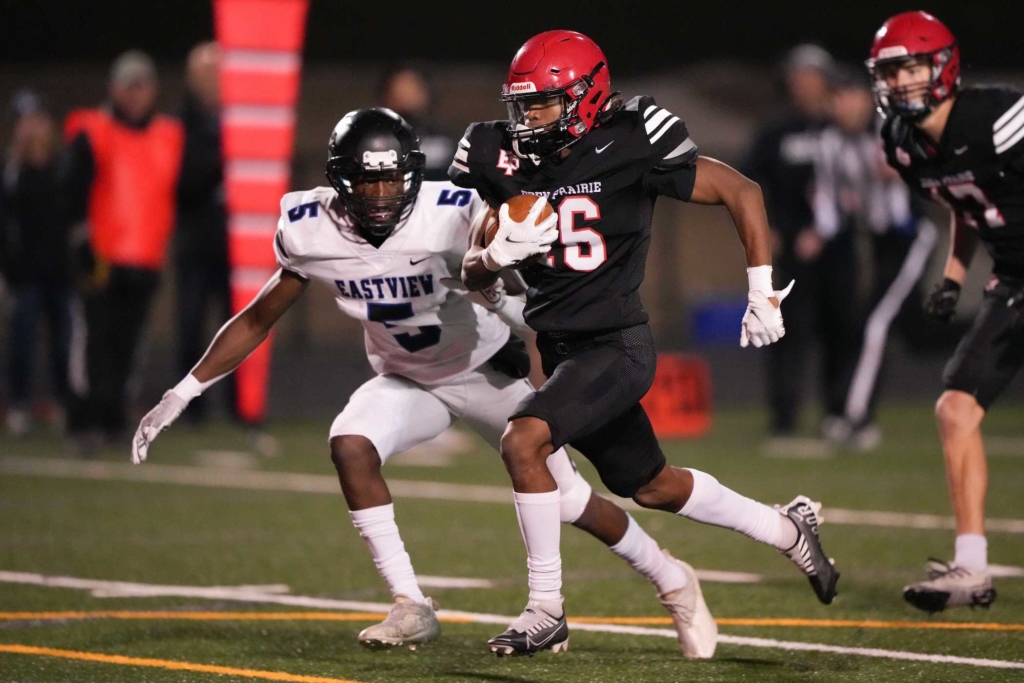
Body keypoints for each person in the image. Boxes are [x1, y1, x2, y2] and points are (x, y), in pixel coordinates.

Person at [131, 108, 718, 658]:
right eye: (368, 182)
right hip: (407, 379)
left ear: (414, 174)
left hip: (487, 370)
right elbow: (258, 317)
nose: (382, 195)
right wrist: (183, 390)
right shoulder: (311, 229)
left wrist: (518, 305)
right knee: (350, 445)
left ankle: (670, 576)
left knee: (567, 501)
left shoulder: (455, 209)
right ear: (340, 181)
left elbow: (522, 288)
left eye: (393, 181)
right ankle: (411, 602)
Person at [453, 30, 839, 657]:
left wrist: (762, 290)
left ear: (585, 97)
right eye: (522, 106)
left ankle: (545, 607)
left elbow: (742, 190)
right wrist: (492, 256)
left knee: (523, 439)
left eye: (544, 104)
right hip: (559, 349)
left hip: (616, 344)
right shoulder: (500, 154)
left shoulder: (631, 138)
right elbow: (472, 271)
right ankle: (787, 528)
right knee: (652, 485)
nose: (527, 121)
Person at [867, 11, 1024, 612]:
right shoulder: (901, 143)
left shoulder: (997, 116)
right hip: (1013, 281)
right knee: (956, 409)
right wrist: (955, 276)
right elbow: (962, 199)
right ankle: (972, 567)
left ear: (942, 67)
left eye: (911, 67)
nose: (901, 81)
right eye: (891, 70)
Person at [63, 50, 184, 450]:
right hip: (101, 256)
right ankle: (83, 419)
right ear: (114, 89)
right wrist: (80, 239)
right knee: (93, 342)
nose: (135, 95)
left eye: (142, 86)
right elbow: (73, 189)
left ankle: (114, 419)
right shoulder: (93, 129)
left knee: (128, 347)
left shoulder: (168, 135)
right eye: (128, 86)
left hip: (145, 258)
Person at [811, 66, 934, 450]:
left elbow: (933, 163)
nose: (841, 105)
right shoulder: (830, 142)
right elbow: (829, 199)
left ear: (867, 99)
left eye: (848, 96)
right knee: (889, 327)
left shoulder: (892, 129)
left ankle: (856, 418)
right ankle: (845, 410)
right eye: (836, 98)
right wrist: (818, 231)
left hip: (911, 237)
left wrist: (905, 167)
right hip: (877, 243)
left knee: (876, 324)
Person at [742, 45, 836, 441]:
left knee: (842, 329)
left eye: (810, 76)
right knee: (784, 330)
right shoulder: (775, 131)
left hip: (837, 246)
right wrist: (770, 231)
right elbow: (748, 185)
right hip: (791, 245)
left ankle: (841, 414)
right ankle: (784, 419)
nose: (803, 85)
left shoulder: (842, 126)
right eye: (797, 77)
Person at [1, 91, 73, 435]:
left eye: (37, 120)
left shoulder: (63, 167)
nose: (31, 129)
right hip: (23, 276)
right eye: (24, 122)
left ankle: (62, 402)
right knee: (21, 343)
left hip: (60, 274)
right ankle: (18, 404)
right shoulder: (10, 172)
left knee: (64, 344)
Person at [175, 42, 235, 425]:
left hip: (235, 243)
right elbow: (184, 181)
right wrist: (221, 160)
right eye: (206, 73)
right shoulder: (181, 125)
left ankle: (239, 406)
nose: (214, 81)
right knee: (192, 326)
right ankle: (190, 409)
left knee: (240, 326)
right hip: (196, 240)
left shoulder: (240, 120)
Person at [378, 65, 457, 181]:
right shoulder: (375, 140)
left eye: (412, 88)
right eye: (400, 89)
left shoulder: (442, 137)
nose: (406, 95)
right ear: (387, 95)